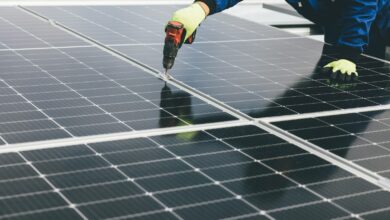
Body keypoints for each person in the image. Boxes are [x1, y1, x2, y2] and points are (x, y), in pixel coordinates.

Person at [168, 0, 390, 81]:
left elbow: (363, 8)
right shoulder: (267, 158)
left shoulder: (316, 168)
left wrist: (348, 54)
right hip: (337, 26)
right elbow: (244, 137)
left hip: (380, 27)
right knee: (329, 82)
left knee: (363, 86)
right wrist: (202, 7)